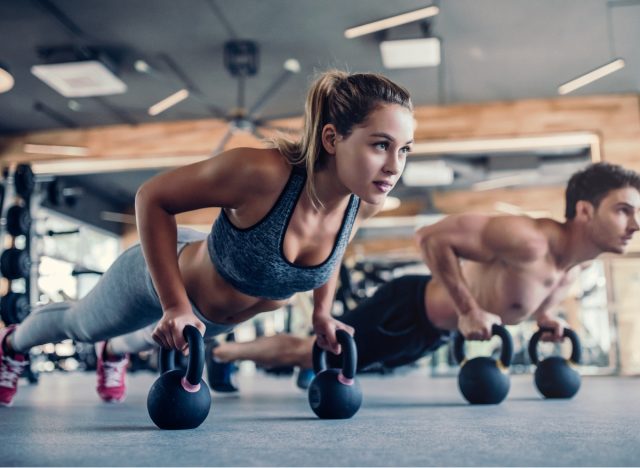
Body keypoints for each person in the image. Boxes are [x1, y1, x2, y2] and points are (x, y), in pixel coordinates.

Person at [0, 70, 415, 406]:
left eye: (405, 150)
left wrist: (322, 313)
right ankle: (12, 343)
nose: (394, 166)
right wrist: (175, 304)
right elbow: (152, 198)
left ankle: (116, 352)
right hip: (162, 277)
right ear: (331, 139)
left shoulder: (363, 203)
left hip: (208, 320)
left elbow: (332, 253)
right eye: (381, 145)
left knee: (141, 338)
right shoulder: (263, 173)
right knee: (82, 326)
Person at [208, 162, 640, 375]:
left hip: (431, 332)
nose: (635, 225)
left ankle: (282, 365)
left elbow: (534, 300)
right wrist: (468, 308)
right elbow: (431, 237)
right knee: (309, 352)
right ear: (584, 211)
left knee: (337, 364)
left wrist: (548, 321)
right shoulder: (527, 238)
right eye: (624, 211)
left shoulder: (574, 267)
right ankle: (222, 353)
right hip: (408, 307)